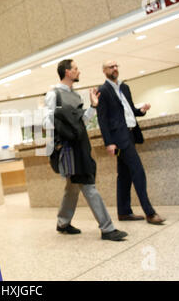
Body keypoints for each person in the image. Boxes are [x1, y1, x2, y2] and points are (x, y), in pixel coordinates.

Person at [44, 59, 128, 241]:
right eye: (75, 69)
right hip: (68, 149)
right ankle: (107, 228)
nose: (79, 71)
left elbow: (82, 122)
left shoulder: (75, 96)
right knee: (88, 185)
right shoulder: (54, 95)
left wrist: (93, 106)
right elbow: (46, 122)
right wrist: (64, 126)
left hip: (81, 145)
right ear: (67, 72)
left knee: (73, 187)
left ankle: (62, 222)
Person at [96, 60, 165, 225]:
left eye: (116, 66)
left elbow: (130, 110)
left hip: (131, 135)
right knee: (138, 171)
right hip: (120, 140)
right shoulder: (102, 91)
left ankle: (124, 212)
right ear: (104, 71)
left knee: (125, 174)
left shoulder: (124, 88)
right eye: (111, 67)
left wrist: (140, 110)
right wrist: (109, 143)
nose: (114, 69)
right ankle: (150, 213)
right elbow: (102, 119)